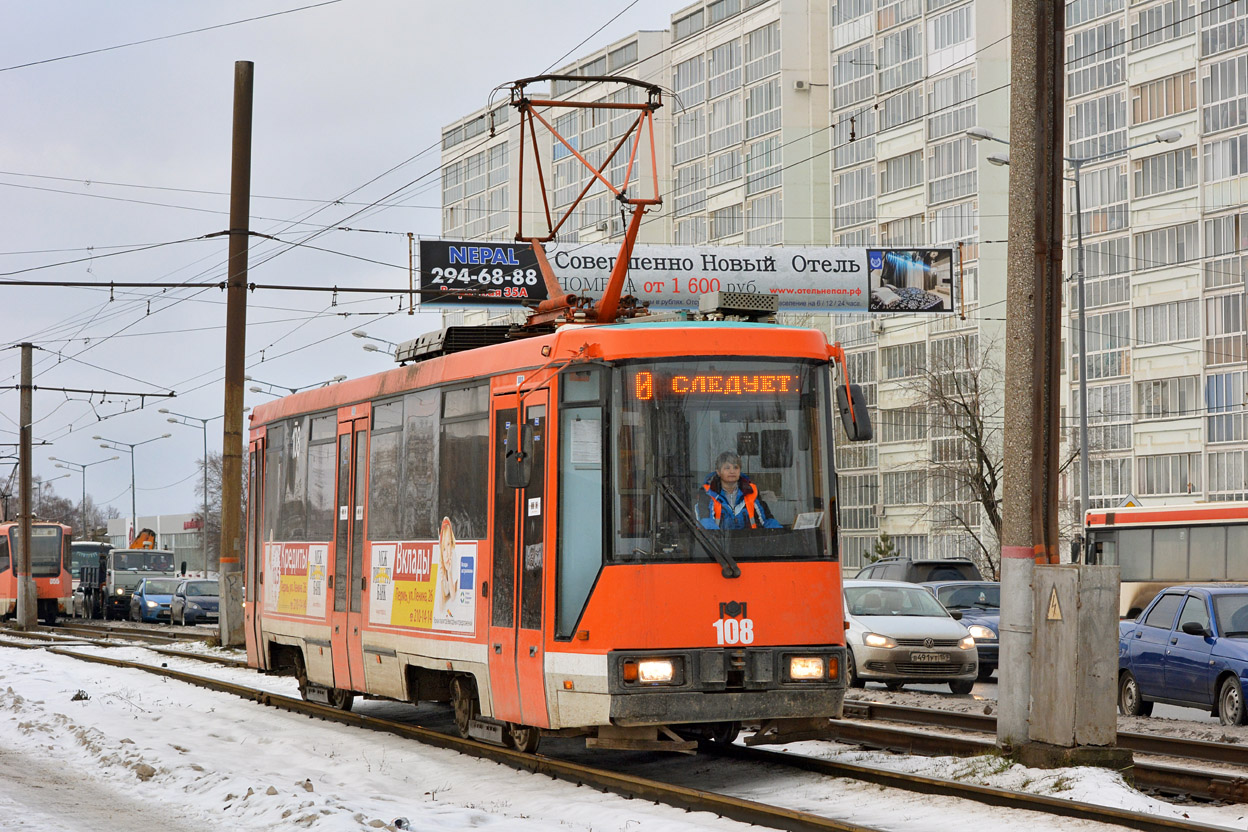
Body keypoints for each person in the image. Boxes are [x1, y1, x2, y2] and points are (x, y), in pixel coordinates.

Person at [697, 451, 782, 530]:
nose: (732, 471)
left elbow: (767, 520)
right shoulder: (707, 493)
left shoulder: (751, 492)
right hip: (716, 544)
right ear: (718, 472)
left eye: (735, 467)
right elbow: (706, 523)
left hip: (750, 542)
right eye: (727, 468)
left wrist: (779, 533)